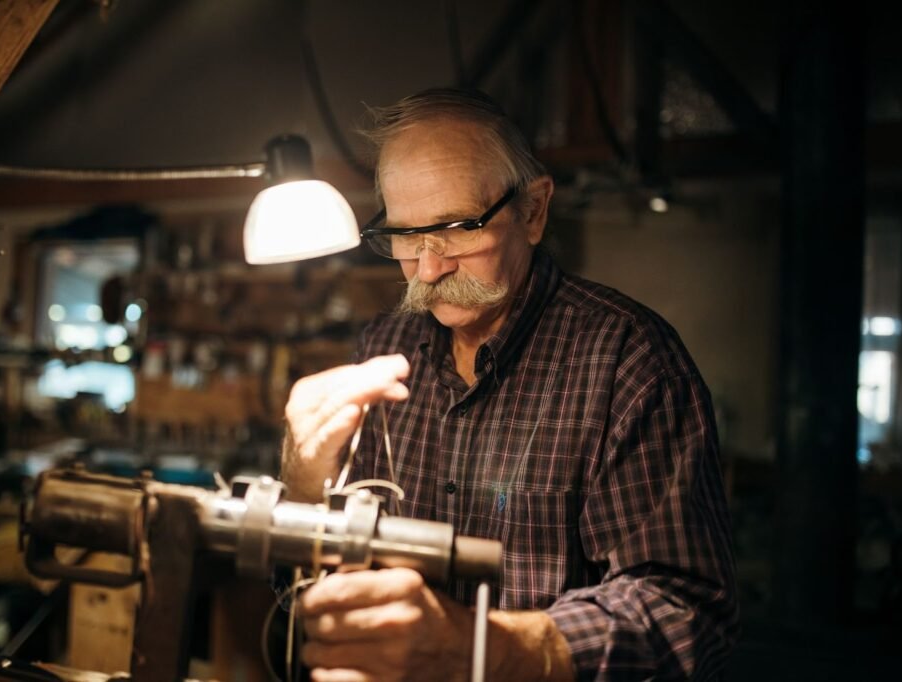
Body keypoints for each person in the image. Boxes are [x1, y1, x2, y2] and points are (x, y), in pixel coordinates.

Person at [281, 88, 738, 681]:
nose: (427, 268)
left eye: (457, 228)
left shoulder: (628, 361)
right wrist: (302, 486)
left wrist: (481, 649)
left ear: (534, 211)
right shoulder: (383, 348)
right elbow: (316, 580)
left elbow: (685, 609)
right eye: (404, 236)